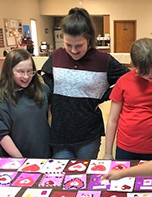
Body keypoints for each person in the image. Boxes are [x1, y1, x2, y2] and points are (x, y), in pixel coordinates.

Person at [41, 7, 129, 159]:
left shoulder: (103, 60)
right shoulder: (57, 55)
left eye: (79, 45)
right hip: (60, 133)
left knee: (86, 177)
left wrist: (103, 95)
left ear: (88, 39)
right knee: (61, 177)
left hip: (88, 134)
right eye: (68, 45)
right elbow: (45, 74)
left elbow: (128, 79)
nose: (73, 51)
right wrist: (59, 92)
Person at [0, 49, 50, 158]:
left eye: (30, 71)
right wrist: (21, 161)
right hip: (17, 158)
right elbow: (0, 134)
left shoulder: (43, 90)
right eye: (20, 72)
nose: (26, 76)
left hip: (44, 154)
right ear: (9, 71)